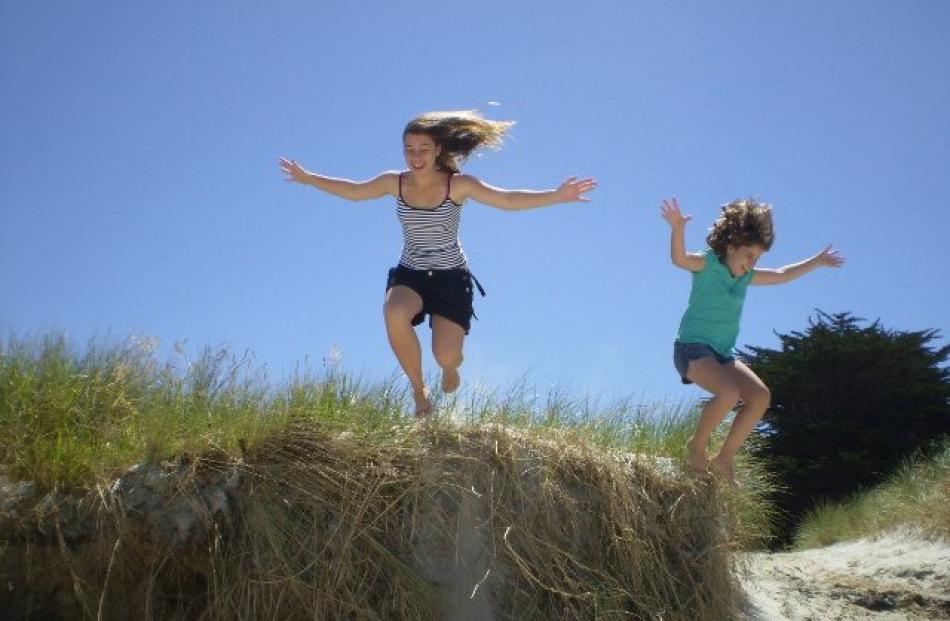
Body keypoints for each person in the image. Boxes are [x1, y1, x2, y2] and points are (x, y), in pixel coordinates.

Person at [280, 110, 596, 417]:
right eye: (409, 150)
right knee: (394, 312)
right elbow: (353, 191)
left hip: (451, 278)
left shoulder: (456, 185)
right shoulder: (395, 182)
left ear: (437, 151)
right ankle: (419, 391)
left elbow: (507, 200)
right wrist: (309, 179)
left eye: (424, 149)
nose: (416, 156)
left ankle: (449, 369)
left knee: (446, 355)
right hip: (411, 274)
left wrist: (554, 196)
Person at [661, 197, 844, 485]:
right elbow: (680, 259)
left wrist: (817, 261)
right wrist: (677, 228)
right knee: (729, 393)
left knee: (760, 397)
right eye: (748, 255)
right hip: (691, 349)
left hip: (723, 354)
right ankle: (696, 447)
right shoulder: (707, 264)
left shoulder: (745, 278)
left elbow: (783, 274)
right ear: (731, 246)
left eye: (757, 259)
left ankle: (724, 459)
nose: (752, 263)